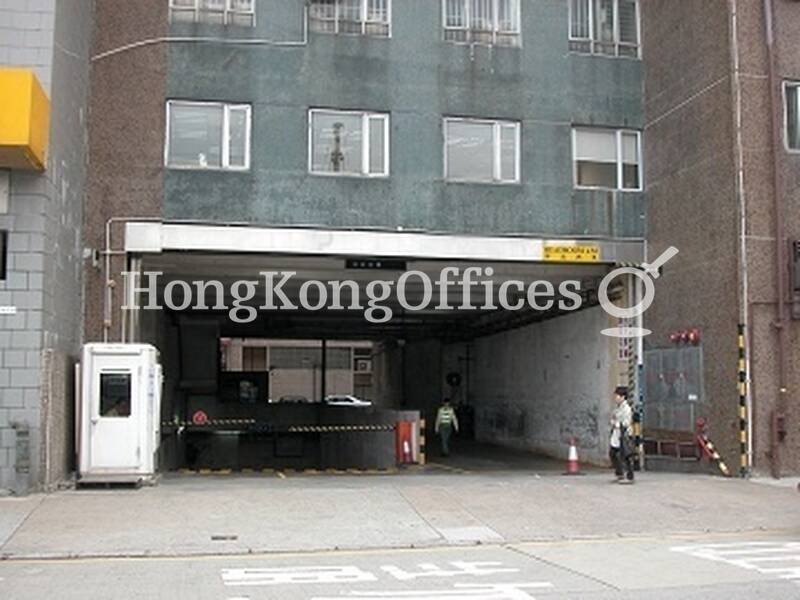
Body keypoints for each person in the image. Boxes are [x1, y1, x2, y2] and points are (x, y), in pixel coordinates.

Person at [609, 386, 635, 484]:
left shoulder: (626, 409)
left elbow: (626, 423)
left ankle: (629, 476)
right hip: (617, 434)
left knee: (626, 455)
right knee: (613, 453)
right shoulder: (618, 407)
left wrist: (615, 423)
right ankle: (619, 473)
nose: (615, 398)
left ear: (623, 397)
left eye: (617, 396)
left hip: (624, 434)